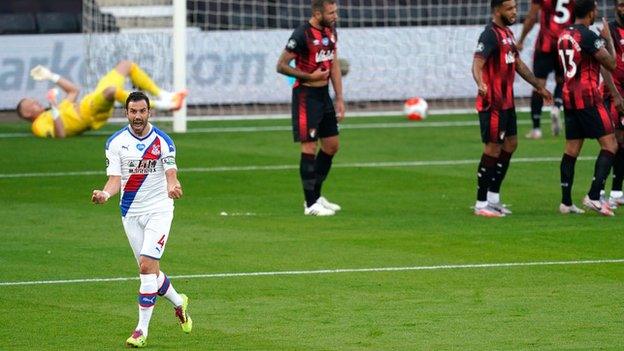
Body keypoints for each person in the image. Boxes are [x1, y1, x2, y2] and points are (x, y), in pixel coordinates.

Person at [91, 92, 192, 348]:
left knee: (146, 267)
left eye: (142, 111)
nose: (138, 116)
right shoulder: (115, 143)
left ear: (150, 112)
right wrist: (104, 194)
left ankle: (140, 331)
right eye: (133, 111)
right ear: (126, 113)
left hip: (159, 210)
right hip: (130, 213)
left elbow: (171, 171)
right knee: (151, 272)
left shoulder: (163, 141)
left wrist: (173, 185)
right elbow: (115, 180)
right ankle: (179, 302)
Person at [472, 0, 553, 217]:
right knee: (492, 149)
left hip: (507, 103)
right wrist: (480, 83)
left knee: (511, 144)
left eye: (515, 7)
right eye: (509, 8)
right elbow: (477, 63)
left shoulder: (507, 33)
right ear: (497, 10)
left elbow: (518, 64)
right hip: (493, 104)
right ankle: (481, 203)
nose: (515, 11)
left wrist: (539, 87)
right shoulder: (489, 34)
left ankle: (493, 198)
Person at [276, 0, 345, 216]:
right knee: (309, 147)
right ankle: (310, 204)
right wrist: (309, 76)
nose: (335, 16)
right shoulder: (301, 34)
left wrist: (340, 98)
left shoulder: (331, 31)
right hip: (306, 96)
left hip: (324, 96)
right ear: (317, 13)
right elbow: (281, 65)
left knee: (332, 145)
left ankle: (316, 195)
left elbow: (333, 64)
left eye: (336, 11)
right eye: (331, 12)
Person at [16, 60, 187, 138]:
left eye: (31, 101)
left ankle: (164, 95)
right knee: (111, 91)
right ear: (27, 114)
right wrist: (53, 107)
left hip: (89, 101)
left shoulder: (57, 110)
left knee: (126, 65)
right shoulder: (39, 125)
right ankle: (161, 105)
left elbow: (73, 91)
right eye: (28, 105)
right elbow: (60, 135)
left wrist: (50, 76)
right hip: (88, 113)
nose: (33, 103)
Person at [557, 0, 618, 216]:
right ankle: (593, 196)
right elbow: (611, 64)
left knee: (571, 149)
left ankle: (566, 202)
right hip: (588, 98)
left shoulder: (564, 34)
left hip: (569, 97)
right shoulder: (589, 36)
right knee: (610, 144)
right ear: (591, 13)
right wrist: (608, 39)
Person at [517, 0, 575, 139]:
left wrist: (521, 40)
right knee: (563, 80)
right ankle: (557, 106)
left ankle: (536, 129)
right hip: (566, 42)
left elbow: (532, 17)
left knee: (538, 84)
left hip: (545, 44)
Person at [600, 0, 624, 208]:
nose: (623, 9)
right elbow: (604, 65)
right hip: (613, 92)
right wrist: (615, 94)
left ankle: (616, 191)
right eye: (621, 5)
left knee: (622, 141)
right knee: (613, 141)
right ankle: (599, 192)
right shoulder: (611, 32)